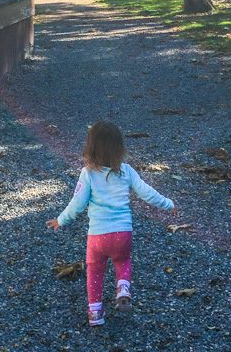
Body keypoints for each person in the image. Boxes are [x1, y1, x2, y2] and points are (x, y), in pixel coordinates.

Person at [46, 121, 176, 326]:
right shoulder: (127, 172)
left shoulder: (88, 173)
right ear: (120, 149)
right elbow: (147, 193)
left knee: (95, 270)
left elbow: (77, 204)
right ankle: (123, 287)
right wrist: (168, 204)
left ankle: (96, 313)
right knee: (122, 261)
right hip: (123, 233)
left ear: (90, 148)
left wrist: (61, 220)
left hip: (98, 236)